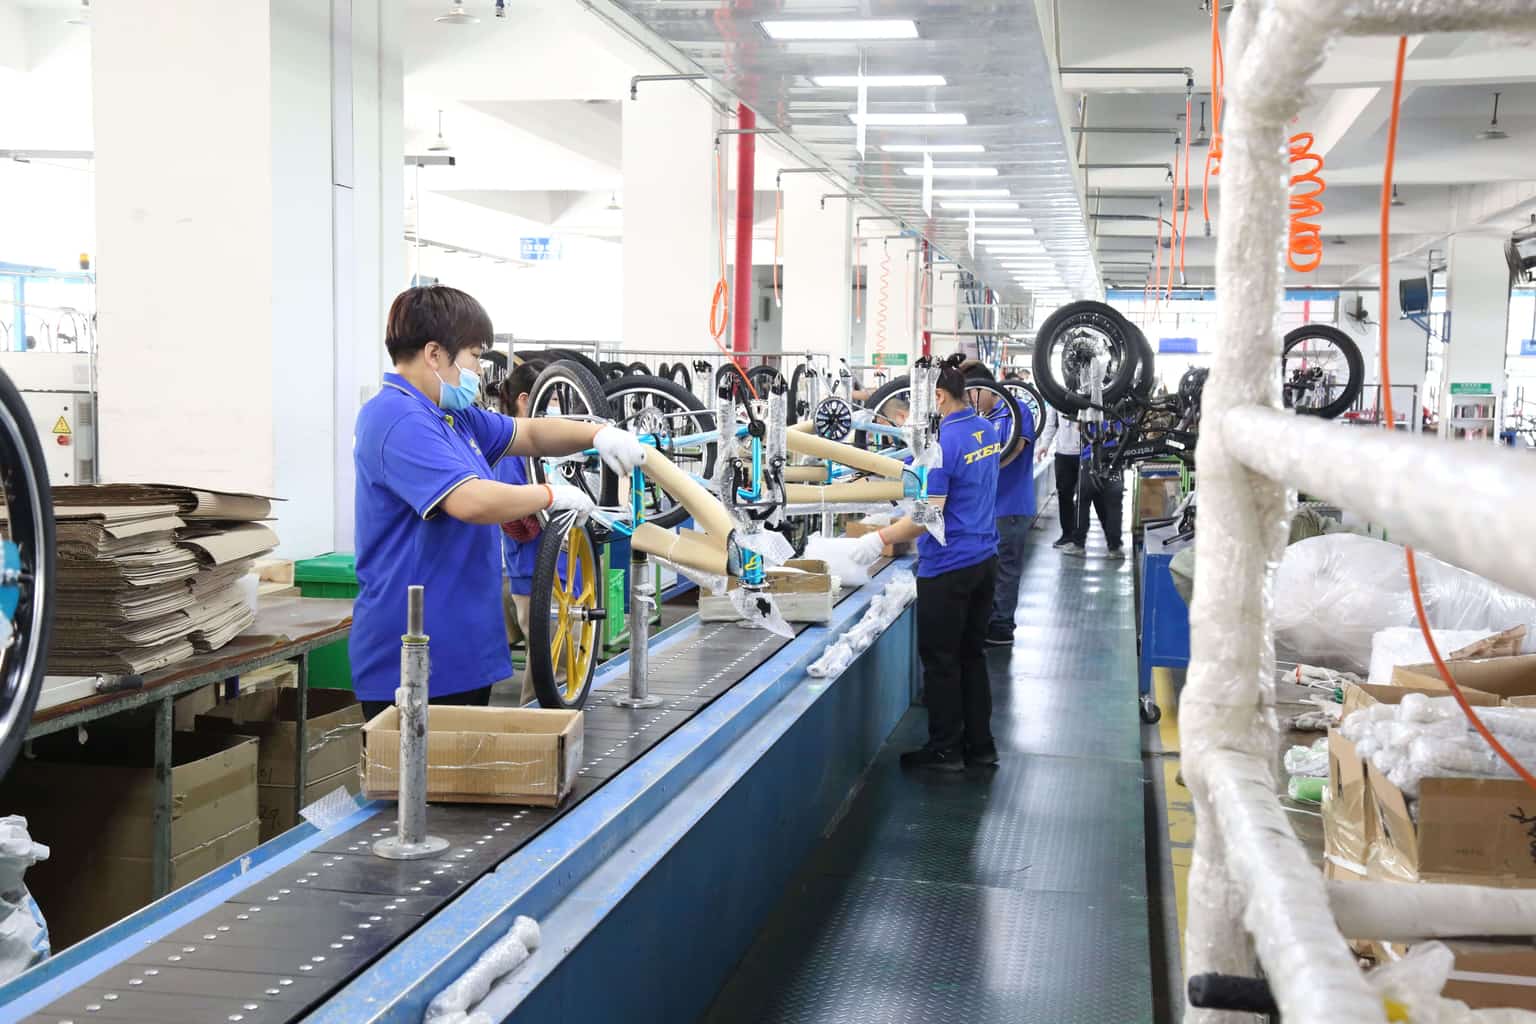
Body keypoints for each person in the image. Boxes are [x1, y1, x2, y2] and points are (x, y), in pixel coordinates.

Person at [351, 286, 646, 720]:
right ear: (434, 354)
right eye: (474, 356)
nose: (478, 371)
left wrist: (598, 434)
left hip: (464, 645)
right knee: (419, 767)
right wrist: (551, 495)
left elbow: (530, 434)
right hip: (418, 654)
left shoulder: (451, 416)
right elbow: (469, 501)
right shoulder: (396, 419)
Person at [831, 355, 1002, 772]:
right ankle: (981, 746)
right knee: (972, 655)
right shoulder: (986, 429)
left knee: (941, 662)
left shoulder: (943, 446)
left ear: (937, 396)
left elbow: (928, 517)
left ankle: (945, 750)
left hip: (948, 567)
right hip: (985, 559)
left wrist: (879, 538)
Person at [958, 361, 1034, 646]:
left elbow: (1016, 447)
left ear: (986, 388)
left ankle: (1002, 626)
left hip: (1011, 505)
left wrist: (986, 468)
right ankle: (987, 621)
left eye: (971, 394)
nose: (969, 401)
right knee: (987, 569)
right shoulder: (980, 420)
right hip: (985, 509)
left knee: (1006, 569)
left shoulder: (1016, 411)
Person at [493, 360, 544, 705]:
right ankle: (537, 726)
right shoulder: (512, 452)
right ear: (525, 400)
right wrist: (549, 504)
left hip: (560, 570)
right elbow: (514, 521)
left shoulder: (542, 448)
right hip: (531, 572)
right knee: (547, 665)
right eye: (550, 400)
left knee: (558, 659)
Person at [1068, 417, 1127, 559]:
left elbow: (1079, 427)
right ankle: (1115, 548)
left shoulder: (1089, 408)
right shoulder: (1123, 410)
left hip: (1090, 459)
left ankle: (1078, 545)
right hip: (1114, 460)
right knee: (1114, 505)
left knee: (1082, 502)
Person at [1036, 404, 1082, 549]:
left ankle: (1079, 537)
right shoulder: (1056, 396)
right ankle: (1067, 535)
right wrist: (1045, 444)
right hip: (1063, 452)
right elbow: (1051, 422)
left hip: (1086, 452)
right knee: (1064, 495)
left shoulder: (1090, 393)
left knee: (1084, 496)